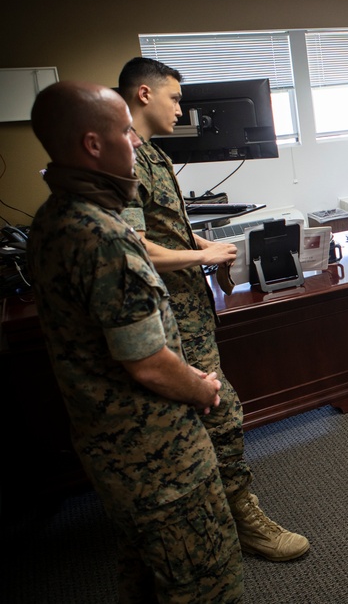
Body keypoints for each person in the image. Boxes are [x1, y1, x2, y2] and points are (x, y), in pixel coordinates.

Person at [27, 81, 244, 602]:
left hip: (110, 448)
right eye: (124, 131)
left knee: (147, 572)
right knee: (208, 579)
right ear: (93, 145)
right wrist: (201, 388)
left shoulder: (51, 220)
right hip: (158, 453)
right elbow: (146, 363)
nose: (135, 141)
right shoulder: (103, 236)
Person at [118, 57, 309, 561]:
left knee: (206, 415)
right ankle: (244, 519)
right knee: (221, 412)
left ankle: (216, 510)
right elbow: (138, 248)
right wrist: (201, 255)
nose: (182, 109)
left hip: (190, 309)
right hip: (166, 318)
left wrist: (209, 245)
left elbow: (168, 230)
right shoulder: (125, 159)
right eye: (175, 98)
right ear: (143, 94)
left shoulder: (153, 155)